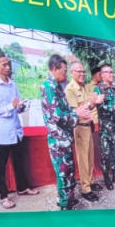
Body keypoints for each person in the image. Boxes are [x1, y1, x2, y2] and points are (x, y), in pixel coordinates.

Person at [0, 49, 38, 209]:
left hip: (15, 129)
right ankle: (3, 196)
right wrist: (10, 107)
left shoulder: (12, 84)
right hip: (2, 133)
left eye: (9, 64)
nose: (8, 67)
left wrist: (21, 106)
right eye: (4, 65)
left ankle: (22, 188)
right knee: (1, 166)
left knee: (19, 161)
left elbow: (17, 105)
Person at [40, 55, 78, 211]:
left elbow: (66, 109)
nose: (66, 74)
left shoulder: (57, 86)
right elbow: (58, 117)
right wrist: (77, 115)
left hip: (65, 139)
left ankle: (68, 199)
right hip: (58, 141)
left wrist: (75, 112)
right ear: (55, 69)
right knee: (63, 174)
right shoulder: (48, 87)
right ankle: (64, 207)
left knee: (69, 172)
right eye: (64, 71)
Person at [65, 61, 100, 202]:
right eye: (79, 71)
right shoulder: (70, 89)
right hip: (79, 126)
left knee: (90, 156)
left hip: (88, 125)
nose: (82, 74)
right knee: (83, 159)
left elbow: (88, 107)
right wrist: (91, 103)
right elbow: (76, 112)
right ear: (71, 72)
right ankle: (85, 188)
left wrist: (93, 103)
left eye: (83, 71)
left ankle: (90, 181)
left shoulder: (82, 87)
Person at [94, 63, 115, 190]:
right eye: (109, 72)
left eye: (112, 72)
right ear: (102, 75)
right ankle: (106, 177)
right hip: (105, 129)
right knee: (105, 154)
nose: (112, 74)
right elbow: (100, 107)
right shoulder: (98, 89)